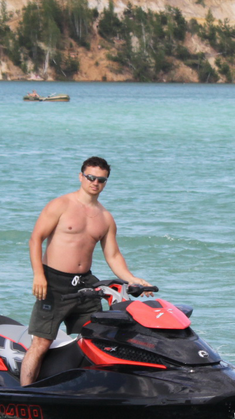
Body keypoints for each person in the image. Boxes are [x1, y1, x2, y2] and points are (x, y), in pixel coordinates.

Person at [21, 156, 149, 386]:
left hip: (85, 285)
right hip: (53, 282)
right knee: (41, 342)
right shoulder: (60, 205)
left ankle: (88, 387)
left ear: (105, 182)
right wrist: (39, 275)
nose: (95, 182)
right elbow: (35, 239)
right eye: (91, 177)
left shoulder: (106, 218)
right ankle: (25, 393)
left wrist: (131, 279)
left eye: (101, 180)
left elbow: (113, 255)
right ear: (81, 176)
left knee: (97, 337)